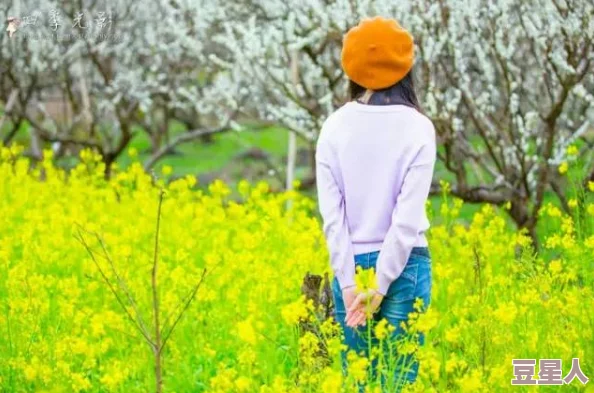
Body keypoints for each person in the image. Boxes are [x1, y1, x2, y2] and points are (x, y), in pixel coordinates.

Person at [315, 16, 436, 392]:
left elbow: (332, 219)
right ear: (405, 65)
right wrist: (382, 285)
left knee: (358, 382)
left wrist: (349, 282)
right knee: (399, 382)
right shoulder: (418, 127)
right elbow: (406, 221)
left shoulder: (333, 127)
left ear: (350, 67)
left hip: (351, 267)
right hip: (406, 268)